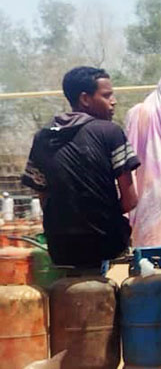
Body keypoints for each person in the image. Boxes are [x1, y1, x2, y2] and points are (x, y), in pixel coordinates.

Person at [21, 66, 139, 274]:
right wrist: (99, 214)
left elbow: (42, 195)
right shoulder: (110, 132)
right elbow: (130, 201)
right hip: (106, 243)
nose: (114, 101)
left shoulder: (42, 138)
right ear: (85, 99)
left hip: (61, 246)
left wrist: (70, 215)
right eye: (107, 95)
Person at [125, 74, 161, 258]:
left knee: (149, 249)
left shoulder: (137, 113)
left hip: (146, 192)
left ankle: (149, 282)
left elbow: (130, 154)